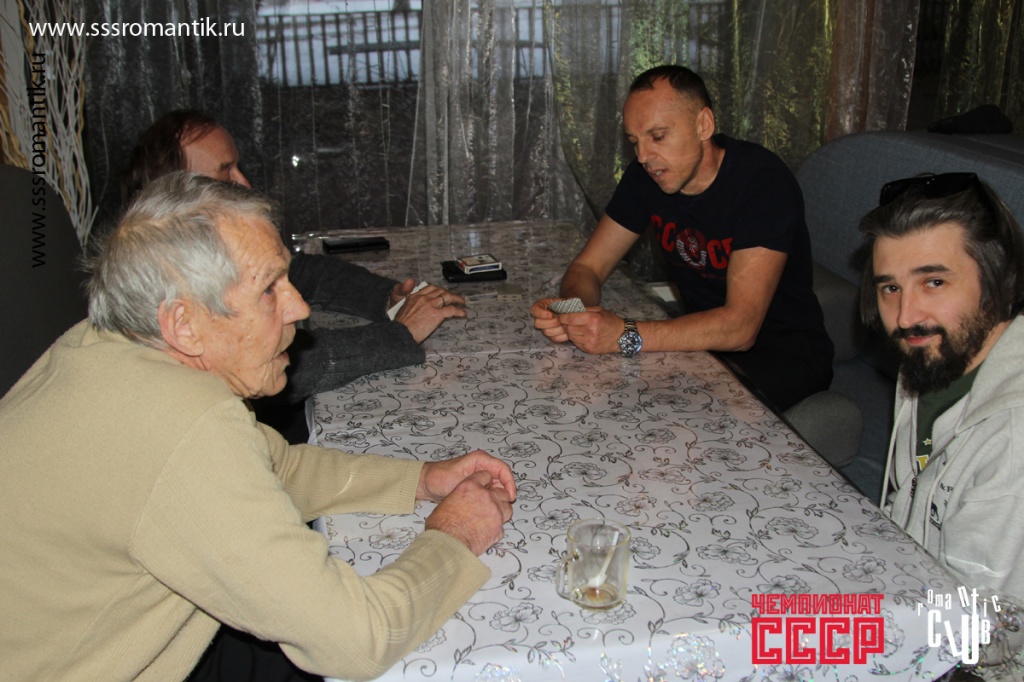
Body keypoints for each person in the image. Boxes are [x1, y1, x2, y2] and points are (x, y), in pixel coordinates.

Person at [0, 172, 516, 681]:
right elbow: (357, 639)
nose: (300, 307)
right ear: (184, 324)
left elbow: (274, 465)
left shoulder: (96, 345)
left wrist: (421, 479)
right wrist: (455, 533)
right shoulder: (181, 423)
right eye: (270, 289)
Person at [119, 109, 466, 440]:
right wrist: (399, 334)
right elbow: (295, 365)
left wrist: (386, 297)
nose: (244, 182)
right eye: (226, 172)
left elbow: (307, 272)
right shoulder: (158, 282)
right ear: (174, 193)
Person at [530, 65, 832, 412]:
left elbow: (740, 327)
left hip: (783, 354)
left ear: (704, 125)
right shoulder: (647, 177)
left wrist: (624, 334)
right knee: (592, 392)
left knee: (657, 409)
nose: (644, 157)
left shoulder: (762, 183)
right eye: (634, 142)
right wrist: (576, 313)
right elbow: (588, 267)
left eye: (657, 136)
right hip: (701, 347)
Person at [861, 172, 1024, 676]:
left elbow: (985, 639)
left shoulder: (1013, 435)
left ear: (996, 282)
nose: (906, 315)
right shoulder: (934, 358)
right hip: (914, 606)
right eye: (891, 287)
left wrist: (816, 625)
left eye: (934, 281)